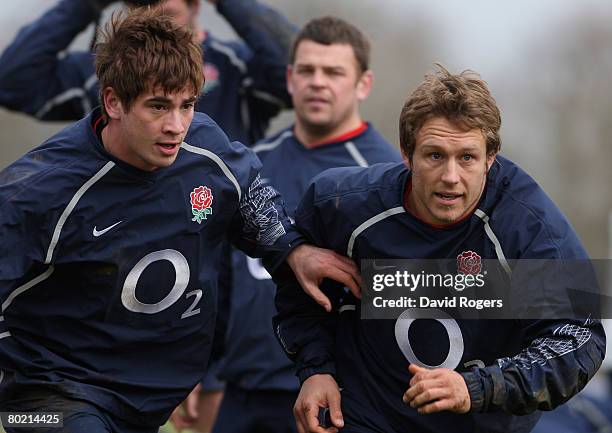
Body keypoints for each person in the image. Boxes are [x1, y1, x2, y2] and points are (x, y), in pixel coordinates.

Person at [0, 9, 359, 433]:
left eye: (186, 105)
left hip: (150, 399)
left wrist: (293, 249)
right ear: (113, 101)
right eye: (157, 106)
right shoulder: (39, 191)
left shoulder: (206, 149)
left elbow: (256, 205)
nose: (175, 126)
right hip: (49, 396)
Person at [273, 65, 607, 433]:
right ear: (406, 153)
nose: (451, 176)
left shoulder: (526, 230)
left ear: (490, 158)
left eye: (467, 157)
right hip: (368, 417)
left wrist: (477, 387)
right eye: (434, 155)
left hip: (481, 422)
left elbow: (578, 339)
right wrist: (315, 369)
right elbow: (298, 287)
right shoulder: (340, 206)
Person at [207, 16, 401, 433]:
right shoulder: (250, 164)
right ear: (290, 79)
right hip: (241, 392)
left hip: (333, 397)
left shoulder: (385, 176)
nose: (318, 82)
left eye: (333, 72)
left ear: (362, 84)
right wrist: (205, 372)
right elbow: (220, 273)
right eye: (307, 71)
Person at [0, 0, 295, 144]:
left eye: (167, 16)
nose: (159, 28)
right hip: (129, 226)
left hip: (222, 230)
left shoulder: (235, 65)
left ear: (195, 6)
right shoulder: (105, 70)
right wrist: (85, 4)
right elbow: (11, 82)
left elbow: (300, 74)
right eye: (145, 11)